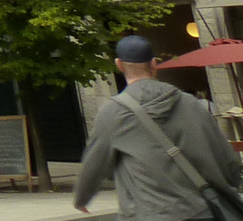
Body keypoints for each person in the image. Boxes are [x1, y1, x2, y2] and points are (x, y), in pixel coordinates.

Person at [76, 35, 242, 219]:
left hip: (149, 213)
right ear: (154, 64)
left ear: (119, 65)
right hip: (200, 211)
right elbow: (225, 157)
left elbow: (95, 162)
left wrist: (82, 198)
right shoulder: (190, 103)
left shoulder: (113, 111)